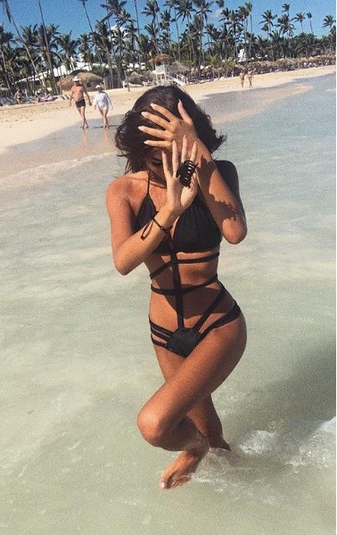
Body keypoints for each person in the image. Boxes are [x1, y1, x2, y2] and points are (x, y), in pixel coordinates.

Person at [106, 86, 247, 490]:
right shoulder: (124, 191)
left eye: (175, 154)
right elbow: (124, 261)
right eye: (156, 160)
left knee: (154, 423)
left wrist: (197, 152)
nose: (166, 167)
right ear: (139, 150)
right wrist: (170, 209)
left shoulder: (217, 172)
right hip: (165, 334)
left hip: (217, 325)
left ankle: (197, 451)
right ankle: (229, 481)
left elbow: (235, 231)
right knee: (212, 435)